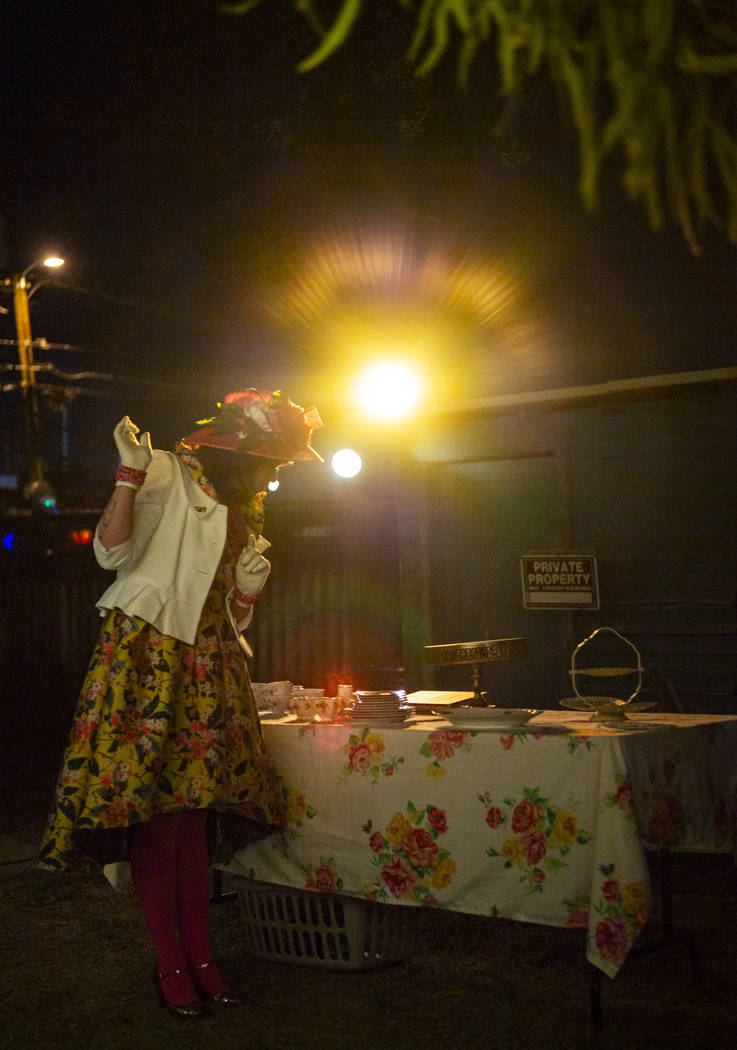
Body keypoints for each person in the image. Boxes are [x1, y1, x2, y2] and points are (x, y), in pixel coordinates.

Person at [39, 388, 322, 1019]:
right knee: (157, 814)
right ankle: (172, 959)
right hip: (148, 657)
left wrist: (246, 597)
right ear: (243, 449)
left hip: (208, 660)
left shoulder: (242, 501)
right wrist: (128, 473)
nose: (277, 471)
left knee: (191, 815)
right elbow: (110, 552)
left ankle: (202, 956)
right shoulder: (167, 469)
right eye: (274, 458)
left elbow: (220, 606)